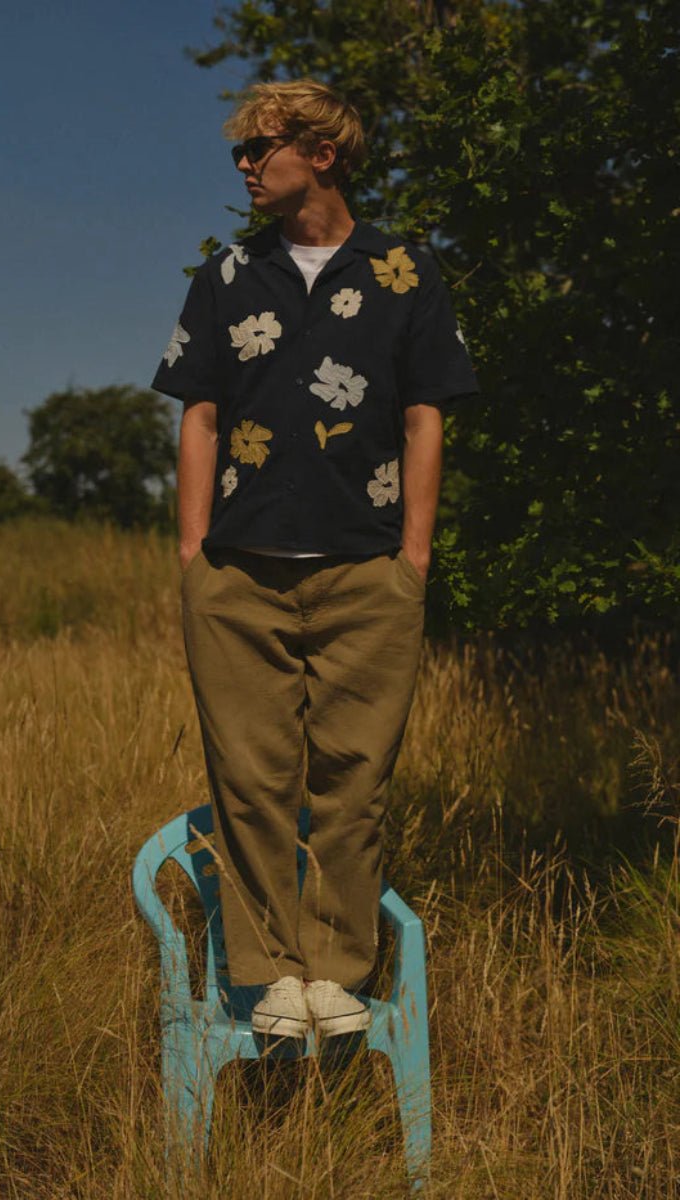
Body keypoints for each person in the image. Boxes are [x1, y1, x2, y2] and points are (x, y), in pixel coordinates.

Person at [152, 79, 478, 1040]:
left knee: (353, 776)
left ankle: (335, 969)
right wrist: (191, 551)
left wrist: (414, 557)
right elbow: (199, 413)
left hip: (369, 570)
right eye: (241, 154)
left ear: (321, 154)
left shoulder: (406, 275)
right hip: (237, 573)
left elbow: (426, 415)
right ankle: (267, 976)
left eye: (261, 149)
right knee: (248, 780)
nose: (247, 167)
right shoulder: (224, 278)